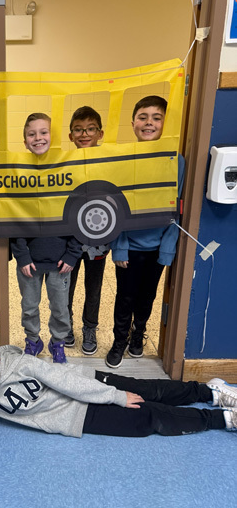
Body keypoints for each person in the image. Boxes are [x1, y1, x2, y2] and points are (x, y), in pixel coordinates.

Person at [0, 336, 237, 437]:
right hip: (76, 416)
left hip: (86, 383)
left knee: (148, 391)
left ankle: (210, 392)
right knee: (148, 419)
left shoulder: (23, 365)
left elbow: (66, 381)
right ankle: (222, 419)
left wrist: (116, 396)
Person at [106, 95, 185, 368]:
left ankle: (138, 334)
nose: (149, 123)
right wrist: (119, 245)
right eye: (143, 117)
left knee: (147, 296)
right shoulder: (123, 161)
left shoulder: (176, 162)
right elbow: (115, 207)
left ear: (165, 123)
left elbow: (177, 210)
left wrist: (167, 247)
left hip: (157, 247)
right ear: (133, 123)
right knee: (124, 296)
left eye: (156, 117)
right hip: (129, 248)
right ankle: (119, 340)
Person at [10, 113, 82, 364]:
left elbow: (77, 219)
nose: (38, 138)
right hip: (29, 261)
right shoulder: (20, 175)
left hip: (61, 261)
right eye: (32, 134)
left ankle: (58, 341)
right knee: (29, 305)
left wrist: (73, 253)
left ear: (54, 136)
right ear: (25, 141)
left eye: (44, 132)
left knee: (60, 307)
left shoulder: (66, 174)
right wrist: (21, 254)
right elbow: (14, 217)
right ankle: (33, 340)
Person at [66, 106, 109, 356]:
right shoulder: (65, 164)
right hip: (68, 242)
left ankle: (90, 327)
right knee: (65, 287)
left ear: (100, 133)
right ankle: (66, 325)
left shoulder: (107, 164)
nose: (85, 134)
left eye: (90, 129)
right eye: (79, 129)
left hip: (98, 242)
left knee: (94, 287)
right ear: (71, 135)